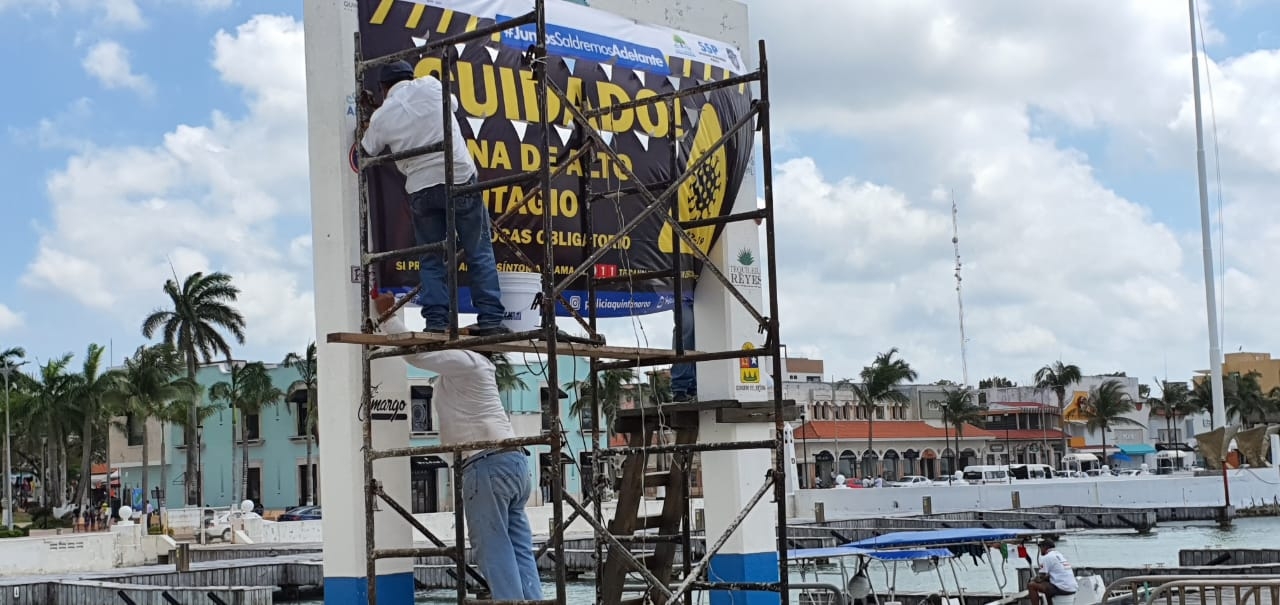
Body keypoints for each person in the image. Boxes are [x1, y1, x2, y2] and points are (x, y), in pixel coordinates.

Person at [372, 292, 541, 600]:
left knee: (492, 547)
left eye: (465, 332)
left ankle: (509, 601)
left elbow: (417, 355)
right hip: (512, 463)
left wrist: (388, 317)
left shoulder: (469, 360)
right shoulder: (476, 370)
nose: (458, 335)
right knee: (518, 546)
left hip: (486, 462)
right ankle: (531, 600)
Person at [361, 60, 509, 336]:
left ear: (383, 89)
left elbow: (368, 147)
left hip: (421, 188)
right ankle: (490, 320)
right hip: (459, 178)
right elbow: (451, 105)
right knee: (479, 251)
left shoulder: (383, 115)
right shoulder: (429, 85)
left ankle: (437, 323)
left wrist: (374, 118)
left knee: (431, 259)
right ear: (410, 76)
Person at [1027, 539, 1077, 605]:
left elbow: (1041, 577)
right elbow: (1052, 575)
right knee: (1047, 587)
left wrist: (1032, 579)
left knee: (1031, 585)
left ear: (1045, 547)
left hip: (1062, 588)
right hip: (1072, 588)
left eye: (1041, 547)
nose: (1040, 549)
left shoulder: (1047, 557)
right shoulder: (1059, 555)